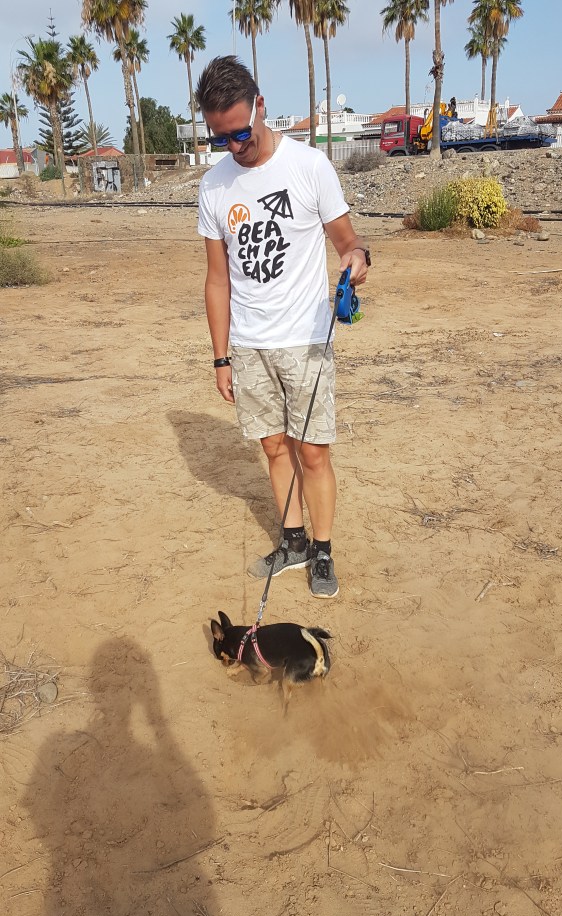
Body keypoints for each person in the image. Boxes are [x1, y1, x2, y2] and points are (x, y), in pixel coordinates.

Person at [196, 56, 370, 599]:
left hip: (305, 339)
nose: (233, 146)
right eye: (220, 138)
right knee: (273, 447)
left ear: (261, 106)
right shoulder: (214, 187)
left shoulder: (309, 166)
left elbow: (347, 240)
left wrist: (356, 258)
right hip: (249, 344)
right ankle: (293, 541)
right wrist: (221, 357)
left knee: (312, 451)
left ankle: (323, 549)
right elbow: (217, 280)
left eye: (240, 132)